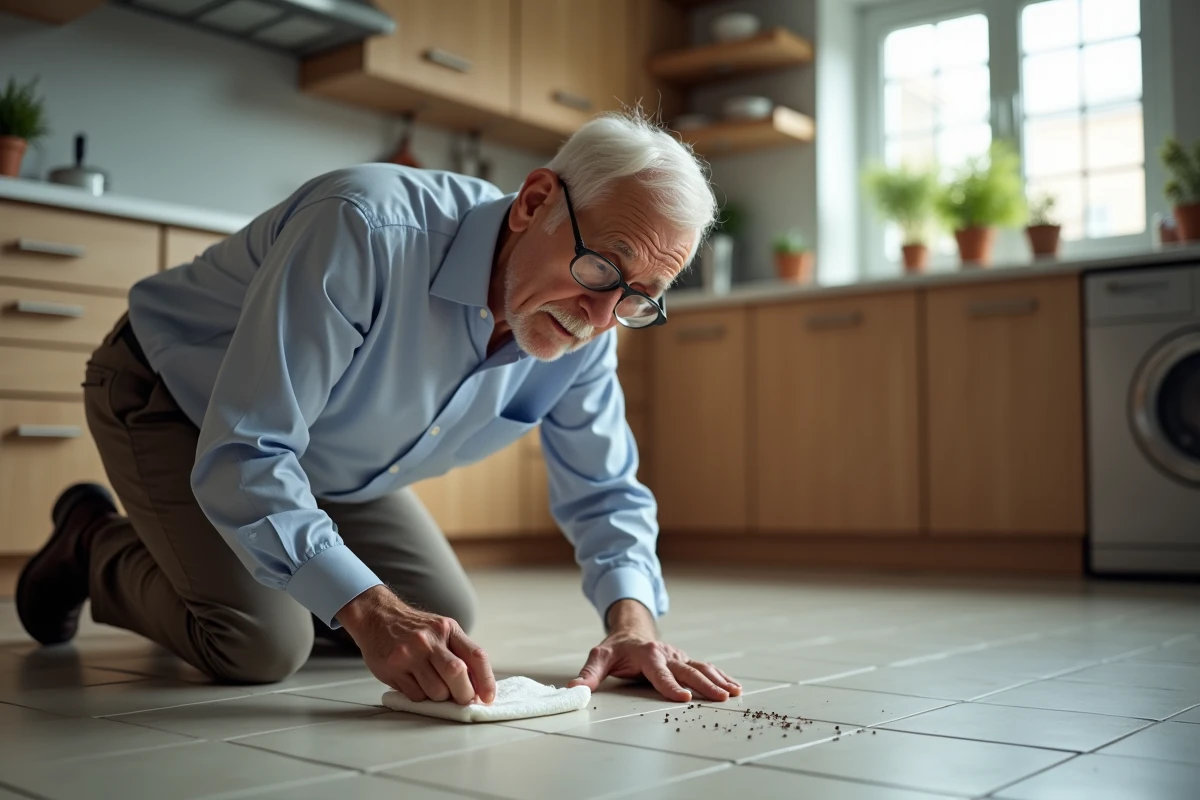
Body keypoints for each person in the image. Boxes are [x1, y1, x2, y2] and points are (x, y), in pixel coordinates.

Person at [17, 111, 743, 707]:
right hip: (175, 393)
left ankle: (241, 558)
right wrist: (366, 610)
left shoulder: (594, 320)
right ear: (533, 203)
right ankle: (91, 543)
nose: (602, 314)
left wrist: (632, 622)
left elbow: (604, 488)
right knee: (260, 642)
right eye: (601, 267)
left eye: (641, 296)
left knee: (436, 608)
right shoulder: (364, 229)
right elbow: (248, 451)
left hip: (327, 454)